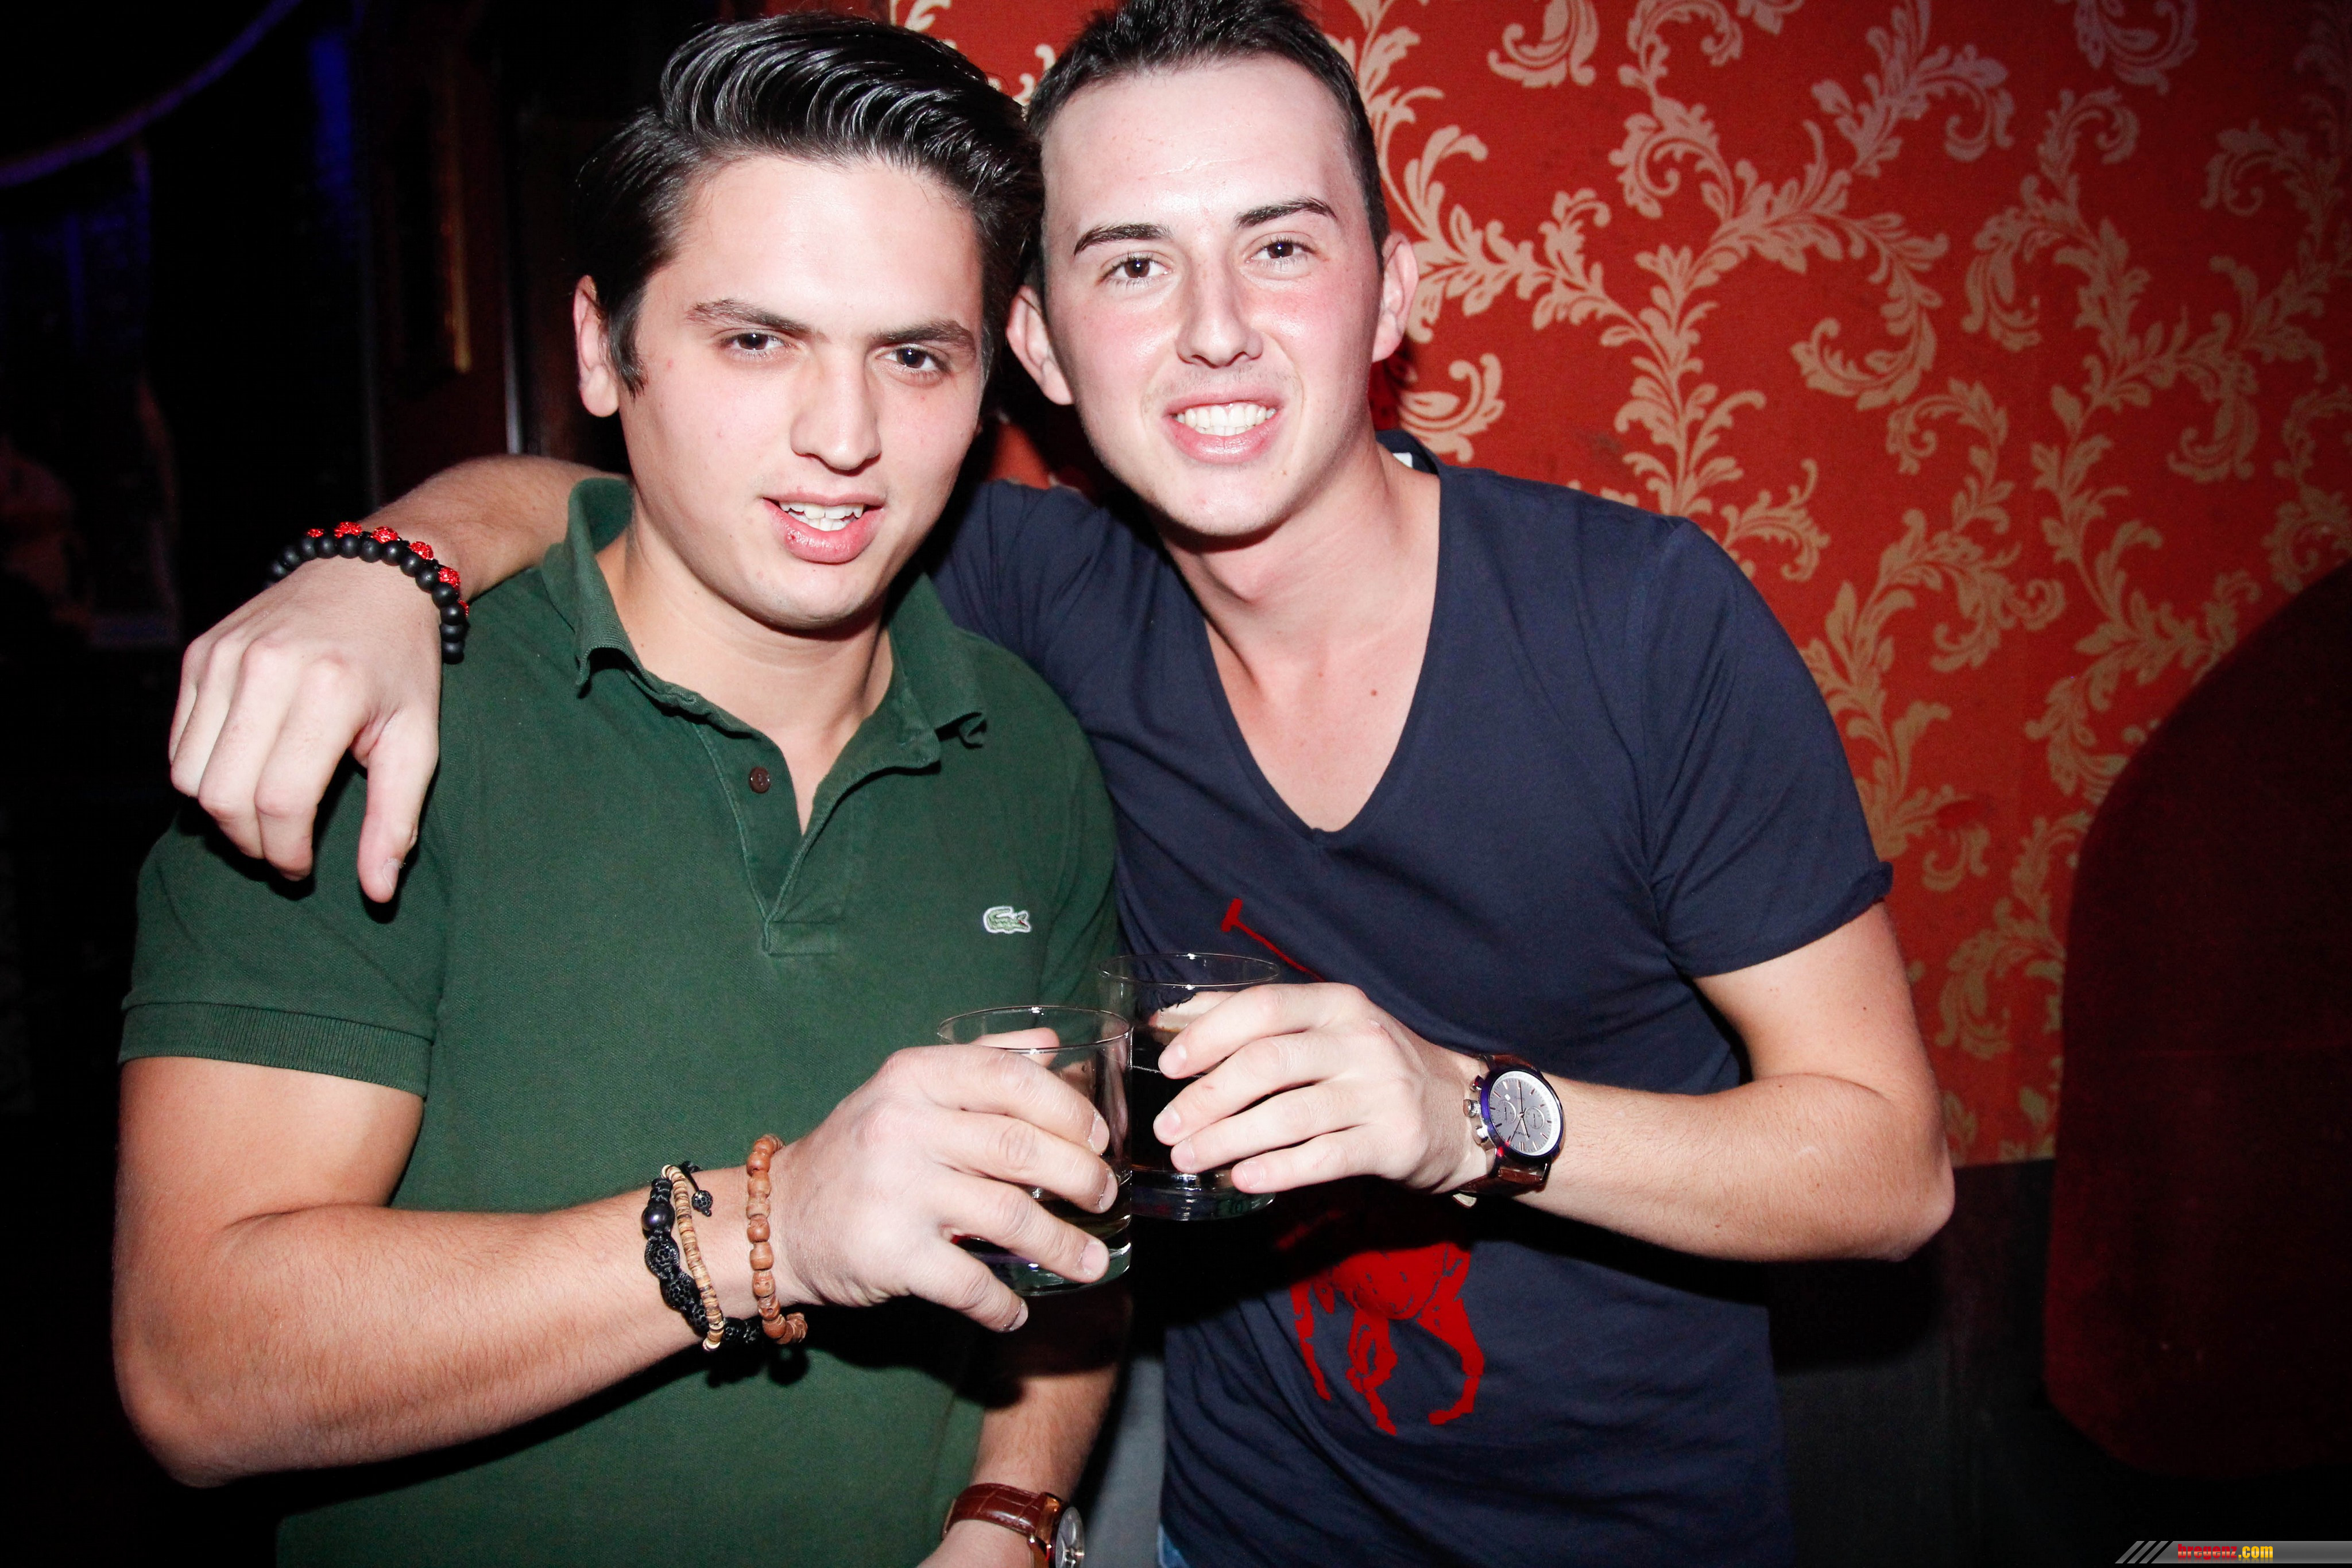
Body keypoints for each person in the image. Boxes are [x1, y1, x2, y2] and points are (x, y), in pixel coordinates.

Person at [163, 1, 1956, 1562]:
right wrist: (379, 571)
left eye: (1280, 244)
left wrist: (1470, 1114)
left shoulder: (1636, 625)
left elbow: (1890, 1169)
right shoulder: (1033, 610)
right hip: (1234, 1530)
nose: (1214, 329)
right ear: (1041, 348)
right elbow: (658, 504)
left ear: (1396, 290)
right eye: (1132, 262)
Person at [115, 18, 1128, 1568]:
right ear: (602, 349)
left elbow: (1074, 1238)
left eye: (914, 356)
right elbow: (197, 1370)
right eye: (756, 342)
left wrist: (1011, 1513)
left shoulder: (1029, 749)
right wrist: (767, 1232)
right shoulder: (372, 723)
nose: (844, 437)